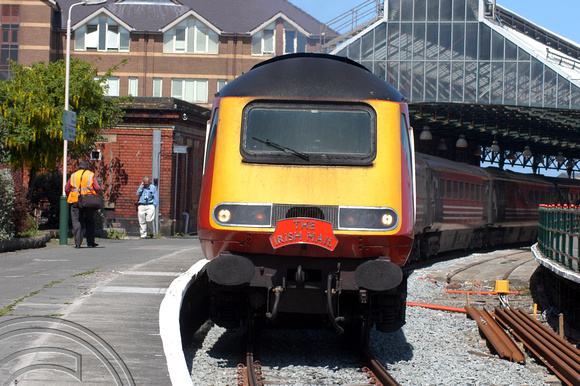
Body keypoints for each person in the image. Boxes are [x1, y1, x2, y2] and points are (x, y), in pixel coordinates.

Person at [65, 159, 101, 248]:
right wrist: (95, 194)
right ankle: (90, 242)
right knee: (90, 220)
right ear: (87, 167)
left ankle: (77, 243)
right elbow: (97, 187)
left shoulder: (73, 175)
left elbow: (66, 188)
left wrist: (70, 195)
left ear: (78, 167)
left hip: (75, 200)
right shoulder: (90, 175)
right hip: (88, 201)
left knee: (77, 221)